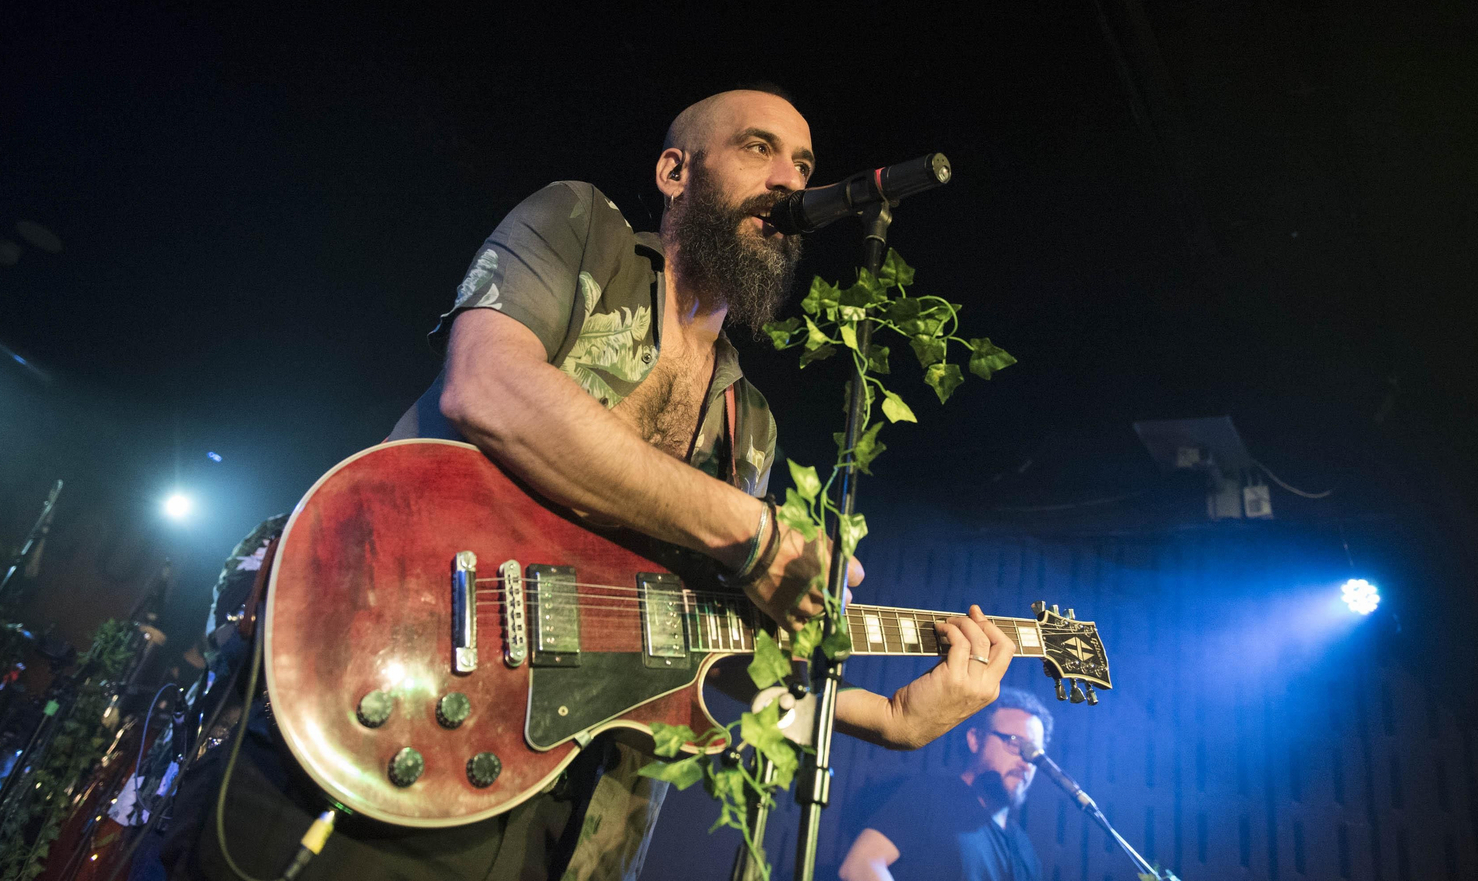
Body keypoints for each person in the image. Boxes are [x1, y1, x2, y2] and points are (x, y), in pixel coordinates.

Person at [162, 88, 1018, 881]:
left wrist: (884, 718)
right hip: (388, 698)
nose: (791, 180)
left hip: (564, 811)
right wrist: (749, 530)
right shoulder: (583, 229)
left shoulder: (747, 424)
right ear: (675, 172)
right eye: (759, 148)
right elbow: (487, 386)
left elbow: (699, 645)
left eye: (803, 163)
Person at [837, 688, 1053, 881]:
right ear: (975, 739)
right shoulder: (929, 795)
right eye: (1015, 742)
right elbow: (861, 865)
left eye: (1035, 753)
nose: (1025, 761)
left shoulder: (1024, 851)